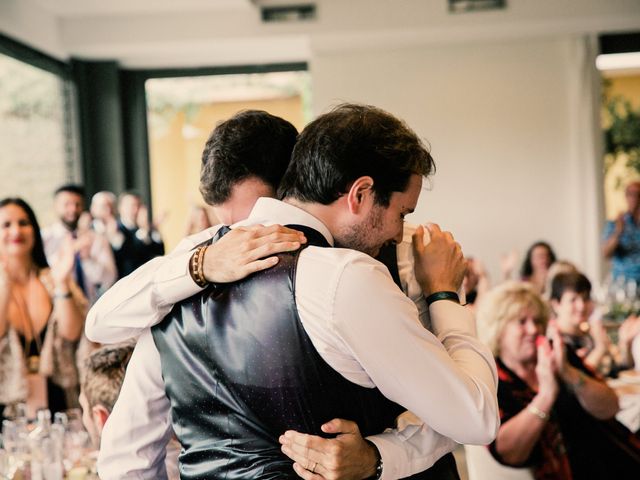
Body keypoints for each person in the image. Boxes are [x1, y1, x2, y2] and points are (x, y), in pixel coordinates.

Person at [88, 105, 499, 479]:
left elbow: (127, 456)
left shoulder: (178, 273)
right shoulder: (348, 275)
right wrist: (446, 296)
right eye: (402, 212)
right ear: (359, 193)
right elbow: (472, 416)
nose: (247, 233)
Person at [477, 282, 640, 479]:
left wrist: (568, 372)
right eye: (522, 322)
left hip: (619, 458)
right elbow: (507, 452)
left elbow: (610, 406)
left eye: (537, 321)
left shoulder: (558, 352)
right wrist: (546, 396)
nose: (533, 329)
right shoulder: (492, 379)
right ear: (498, 329)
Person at [0, 198, 86, 420]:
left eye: (24, 222)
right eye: (6, 225)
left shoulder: (52, 278)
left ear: (35, 230)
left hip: (58, 403)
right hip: (6, 408)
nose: (16, 230)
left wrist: (62, 283)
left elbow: (72, 333)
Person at [79, 343, 181, 480]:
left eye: (84, 409)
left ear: (100, 417)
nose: (84, 420)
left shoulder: (126, 472)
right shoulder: (181, 457)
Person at [550, 271, 640, 376]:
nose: (581, 306)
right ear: (556, 304)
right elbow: (576, 380)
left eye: (585, 298)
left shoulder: (587, 334)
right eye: (573, 300)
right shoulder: (553, 340)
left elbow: (619, 369)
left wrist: (625, 343)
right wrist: (600, 348)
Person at [42, 185, 117, 305]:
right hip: (55, 307)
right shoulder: (44, 239)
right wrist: (69, 252)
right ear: (56, 206)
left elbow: (109, 278)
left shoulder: (97, 239)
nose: (73, 209)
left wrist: (87, 259)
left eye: (77, 204)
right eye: (67, 204)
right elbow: (45, 275)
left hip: (90, 307)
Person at [112, 191, 165, 278]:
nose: (135, 209)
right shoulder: (116, 229)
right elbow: (130, 256)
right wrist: (143, 230)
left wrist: (155, 230)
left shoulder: (145, 228)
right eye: (131, 205)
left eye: (138, 205)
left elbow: (160, 252)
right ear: (120, 208)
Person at [603, 180, 640, 284]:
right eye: (631, 194)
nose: (635, 198)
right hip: (623, 281)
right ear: (626, 197)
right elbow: (606, 253)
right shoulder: (616, 223)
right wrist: (618, 231)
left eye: (638, 194)